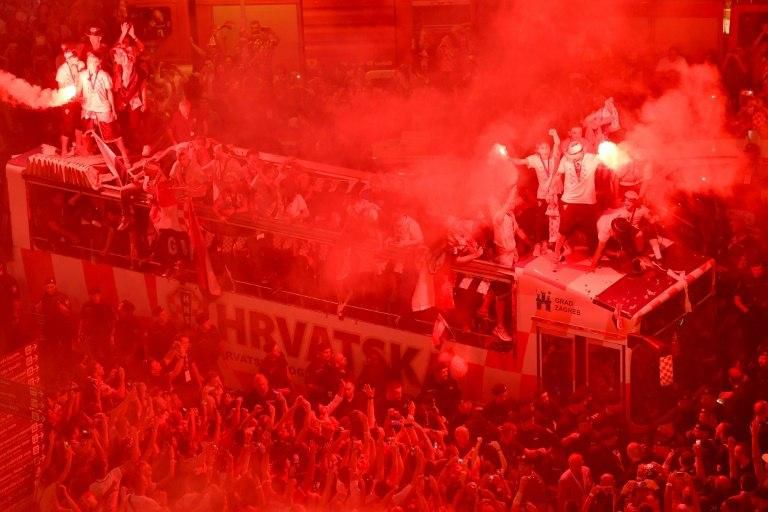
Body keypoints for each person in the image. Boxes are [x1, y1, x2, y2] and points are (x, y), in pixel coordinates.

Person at [549, 142, 601, 264]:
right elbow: (558, 175)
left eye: (574, 155)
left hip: (588, 201)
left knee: (591, 230)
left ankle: (593, 254)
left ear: (582, 152)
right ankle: (557, 252)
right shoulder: (565, 159)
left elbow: (610, 159)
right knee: (563, 229)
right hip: (569, 200)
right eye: (570, 155)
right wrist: (551, 191)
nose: (571, 157)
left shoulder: (592, 158)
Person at [511, 129, 561, 256]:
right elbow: (520, 161)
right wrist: (507, 157)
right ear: (538, 150)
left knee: (553, 220)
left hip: (554, 194)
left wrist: (555, 134)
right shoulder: (534, 159)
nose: (546, 150)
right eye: (543, 148)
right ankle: (538, 245)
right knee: (540, 219)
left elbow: (557, 144)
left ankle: (550, 244)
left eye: (547, 147)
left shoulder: (553, 157)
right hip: (542, 194)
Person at [78, 52, 131, 168]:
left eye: (93, 61)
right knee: (86, 134)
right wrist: (78, 98)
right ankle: (86, 159)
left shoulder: (104, 75)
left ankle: (125, 157)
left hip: (102, 107)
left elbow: (109, 93)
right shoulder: (82, 75)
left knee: (113, 135)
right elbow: (78, 92)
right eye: (89, 61)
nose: (90, 63)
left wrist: (113, 110)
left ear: (98, 62)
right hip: (88, 108)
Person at [589, 191, 655, 270]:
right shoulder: (604, 230)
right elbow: (599, 249)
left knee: (639, 234)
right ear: (613, 232)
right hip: (603, 223)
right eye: (627, 200)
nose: (627, 202)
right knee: (604, 248)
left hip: (617, 222)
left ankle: (640, 255)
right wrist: (592, 266)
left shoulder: (624, 214)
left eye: (630, 200)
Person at [55, 46, 84, 155]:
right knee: (67, 126)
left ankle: (78, 147)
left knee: (79, 124)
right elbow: (61, 89)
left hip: (78, 100)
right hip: (68, 102)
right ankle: (64, 151)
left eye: (75, 56)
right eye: (72, 57)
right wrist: (71, 98)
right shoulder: (62, 71)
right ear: (67, 59)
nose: (76, 58)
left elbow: (83, 78)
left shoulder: (80, 65)